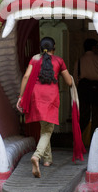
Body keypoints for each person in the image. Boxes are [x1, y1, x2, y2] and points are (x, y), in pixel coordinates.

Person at [17, 37, 72, 178]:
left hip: (36, 95)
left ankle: (47, 160)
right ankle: (37, 156)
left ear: (41, 49)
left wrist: (21, 97)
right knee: (48, 129)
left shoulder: (35, 59)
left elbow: (26, 77)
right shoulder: (59, 61)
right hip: (51, 96)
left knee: (44, 127)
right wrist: (70, 78)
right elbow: (69, 82)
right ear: (54, 47)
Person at [74, 38, 98, 142]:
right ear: (93, 47)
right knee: (97, 116)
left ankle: (77, 140)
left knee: (83, 115)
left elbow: (76, 79)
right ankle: (95, 141)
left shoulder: (79, 60)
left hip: (84, 90)